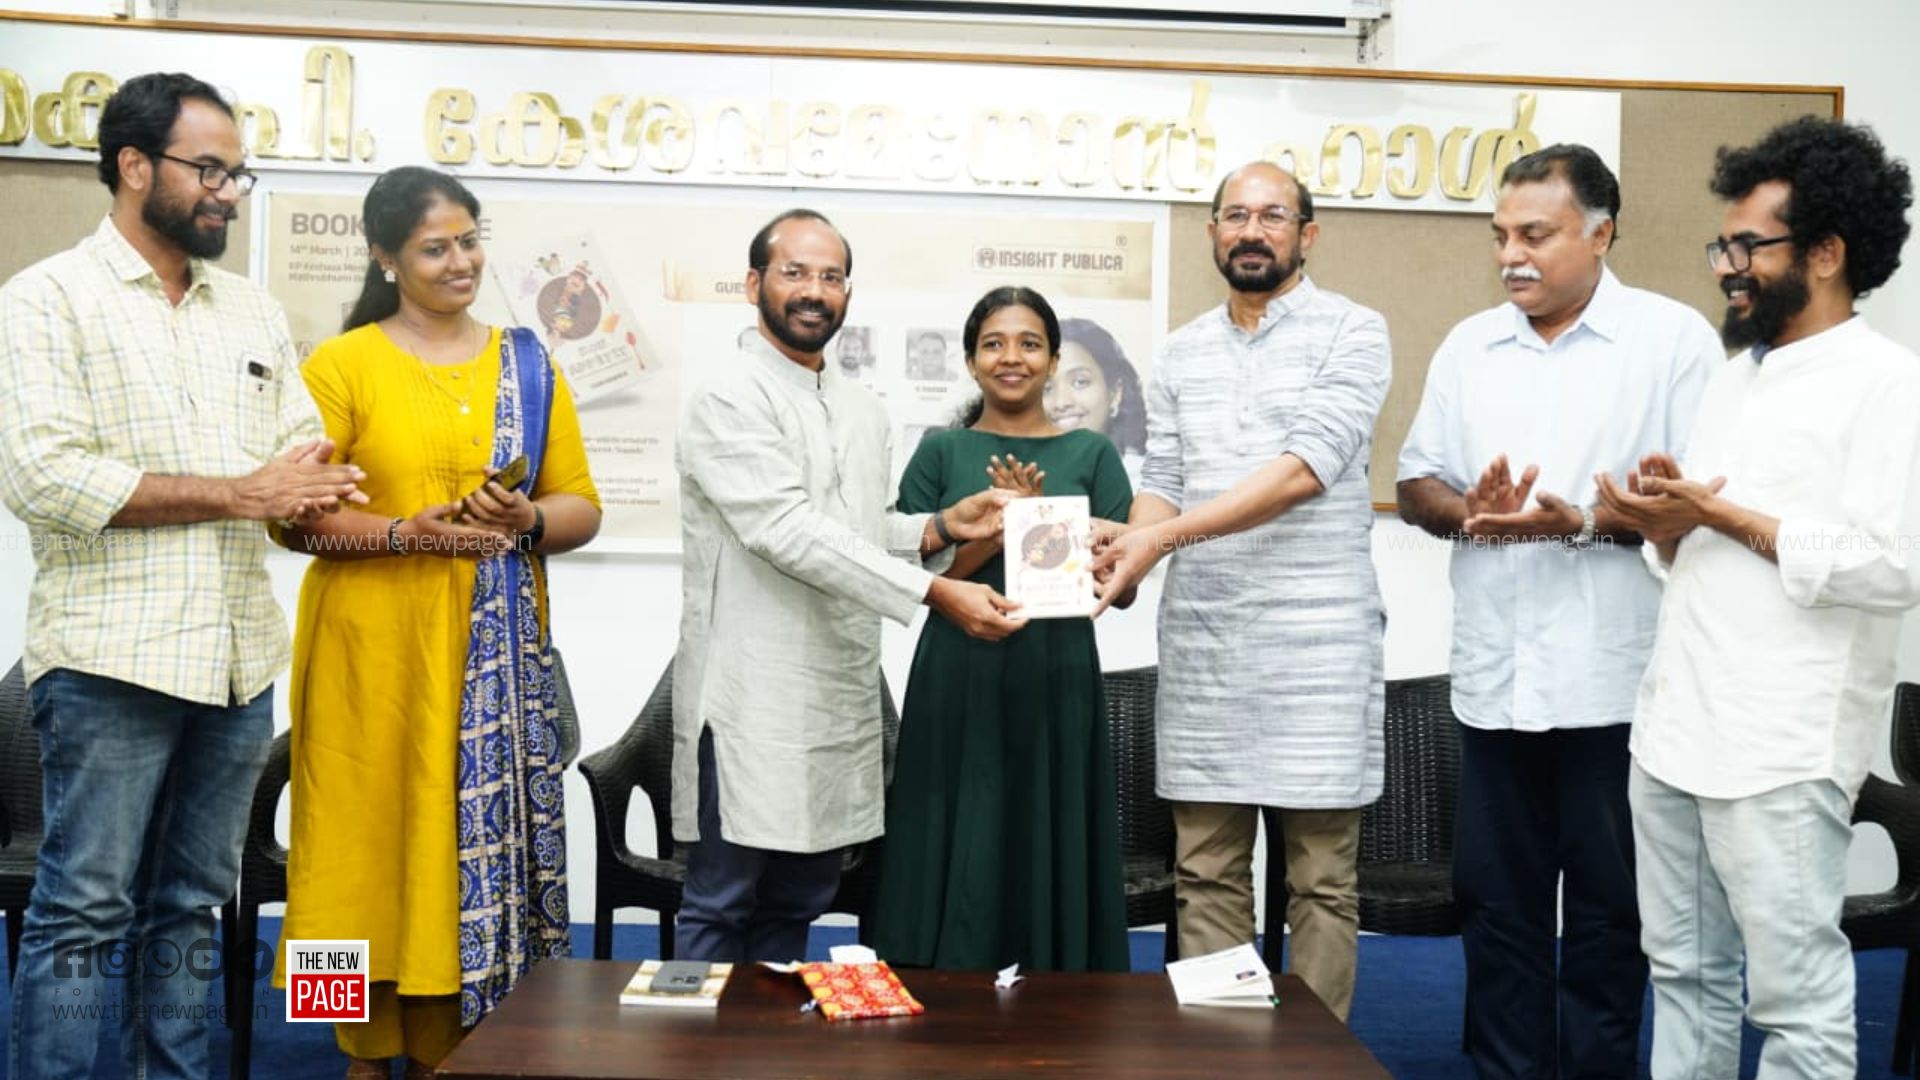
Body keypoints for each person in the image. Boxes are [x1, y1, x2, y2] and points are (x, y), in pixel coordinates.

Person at [0, 72, 365, 1080]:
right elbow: (45, 477)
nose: (229, 193)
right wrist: (243, 491)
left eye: (237, 174)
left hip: (237, 667)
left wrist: (332, 491)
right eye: (209, 170)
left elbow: (295, 452)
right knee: (83, 909)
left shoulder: (250, 310)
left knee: (191, 906)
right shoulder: (43, 301)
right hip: (109, 664)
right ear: (132, 166)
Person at [1598, 116, 1919, 1080]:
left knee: (1795, 1004)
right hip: (1673, 730)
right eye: (1723, 247)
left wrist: (1724, 514)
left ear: (1826, 253)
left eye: (1749, 247)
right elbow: (1705, 551)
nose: (1729, 269)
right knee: (1683, 975)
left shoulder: (1890, 385)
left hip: (1782, 746)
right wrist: (1665, 526)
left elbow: (1895, 567)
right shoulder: (1734, 378)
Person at [1396, 144, 1721, 1080]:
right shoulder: (1469, 345)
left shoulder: (1672, 342)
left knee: (1612, 919)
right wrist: (1469, 511)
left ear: (1601, 233)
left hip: (1617, 688)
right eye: (1501, 236)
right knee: (1496, 912)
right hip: (1495, 686)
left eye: (1534, 235)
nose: (1511, 256)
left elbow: (1700, 505)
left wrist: (1578, 519)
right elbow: (1417, 483)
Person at [271, 166, 603, 1078]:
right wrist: (402, 534)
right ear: (385, 256)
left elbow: (580, 507)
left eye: (469, 239)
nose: (461, 261)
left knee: (462, 852)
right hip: (367, 660)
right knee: (349, 859)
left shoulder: (526, 363)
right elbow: (293, 517)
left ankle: (451, 1047)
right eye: (434, 248)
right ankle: (353, 1050)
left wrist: (526, 519)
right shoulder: (342, 366)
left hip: (489, 668)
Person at [674, 209, 1026, 963]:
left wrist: (941, 526)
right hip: (750, 698)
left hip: (837, 694)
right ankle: (699, 1036)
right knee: (723, 900)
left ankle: (771, 1034)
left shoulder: (863, 408)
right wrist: (935, 593)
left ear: (847, 295)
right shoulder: (726, 395)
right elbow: (786, 530)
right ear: (753, 285)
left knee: (800, 898)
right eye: (795, 272)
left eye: (831, 277)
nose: (814, 291)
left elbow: (858, 530)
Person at [1091, 161, 1390, 1021]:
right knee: (1206, 872)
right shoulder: (1181, 349)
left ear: (1308, 233)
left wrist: (1159, 538)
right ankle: (1218, 1058)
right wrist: (1130, 550)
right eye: (1234, 215)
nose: (1251, 231)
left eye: (1272, 216)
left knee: (1321, 881)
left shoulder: (1354, 330)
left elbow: (1304, 471)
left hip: (1319, 648)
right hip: (1208, 643)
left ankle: (1314, 1065)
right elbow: (1166, 480)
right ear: (1213, 232)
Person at [872, 286, 1134, 972]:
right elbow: (911, 575)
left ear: (1053, 361)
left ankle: (1056, 983)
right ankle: (939, 981)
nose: (1011, 357)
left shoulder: (1093, 454)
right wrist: (999, 530)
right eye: (993, 343)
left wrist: (1045, 524)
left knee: (1045, 823)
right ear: (970, 361)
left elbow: (1122, 588)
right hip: (957, 669)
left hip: (1057, 672)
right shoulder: (940, 451)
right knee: (953, 821)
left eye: (1029, 344)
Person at [1046, 317, 1148, 478]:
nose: (1061, 402)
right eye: (1046, 388)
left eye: (1080, 382)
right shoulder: (1021, 478)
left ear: (1115, 394)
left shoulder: (1149, 482)